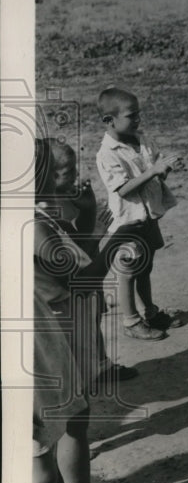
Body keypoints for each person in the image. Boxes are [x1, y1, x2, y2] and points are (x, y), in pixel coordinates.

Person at [33, 138, 127, 483]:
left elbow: (76, 257)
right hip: (54, 330)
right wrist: (116, 240)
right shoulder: (35, 226)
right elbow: (82, 278)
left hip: (62, 321)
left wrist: (87, 218)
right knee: (72, 417)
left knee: (65, 418)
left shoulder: (44, 216)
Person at [44, 140, 136, 387]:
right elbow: (73, 260)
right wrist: (98, 236)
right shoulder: (49, 212)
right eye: (69, 172)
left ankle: (101, 364)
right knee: (79, 335)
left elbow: (82, 244)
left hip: (84, 274)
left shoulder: (67, 197)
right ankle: (85, 375)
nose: (77, 175)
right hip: (68, 289)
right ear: (49, 177)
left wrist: (87, 208)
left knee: (94, 320)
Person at [95, 87, 181, 340]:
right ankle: (131, 321)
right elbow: (123, 189)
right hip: (127, 222)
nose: (138, 120)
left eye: (138, 115)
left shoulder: (141, 139)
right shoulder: (107, 153)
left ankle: (150, 312)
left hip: (147, 215)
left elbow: (156, 163)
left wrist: (166, 167)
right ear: (109, 120)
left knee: (146, 266)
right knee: (129, 269)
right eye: (132, 116)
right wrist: (154, 171)